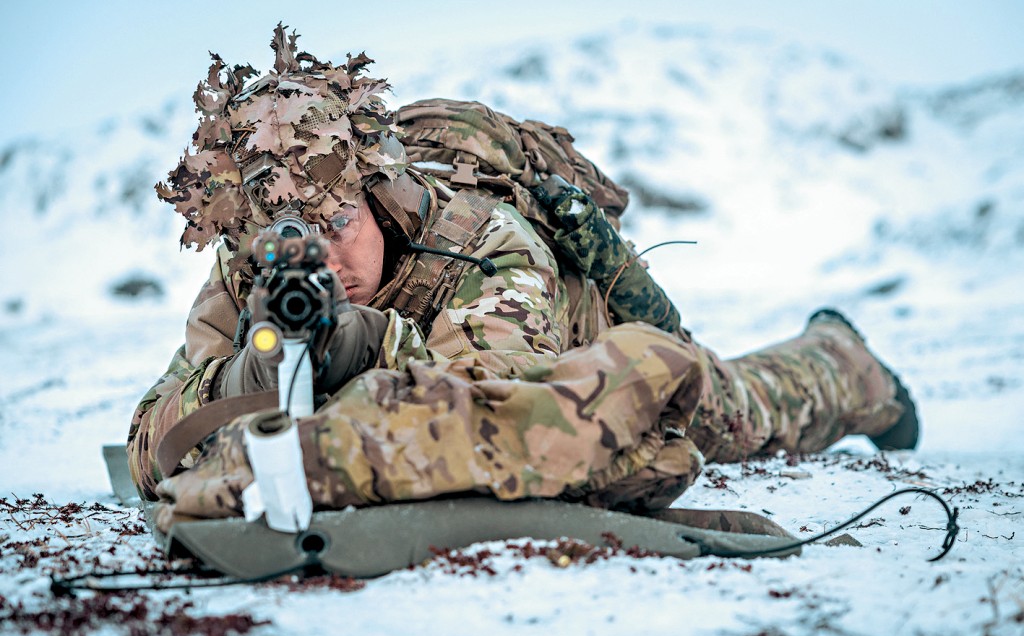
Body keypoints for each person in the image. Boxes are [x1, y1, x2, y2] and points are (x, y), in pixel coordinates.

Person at [129, 27, 917, 532]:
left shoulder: (483, 243)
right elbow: (146, 443)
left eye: (339, 227)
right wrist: (247, 374)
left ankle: (846, 360)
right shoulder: (254, 272)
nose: (323, 266)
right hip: (452, 386)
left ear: (376, 195)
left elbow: (498, 411)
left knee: (744, 416)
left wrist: (361, 343)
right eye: (288, 245)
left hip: (587, 350)